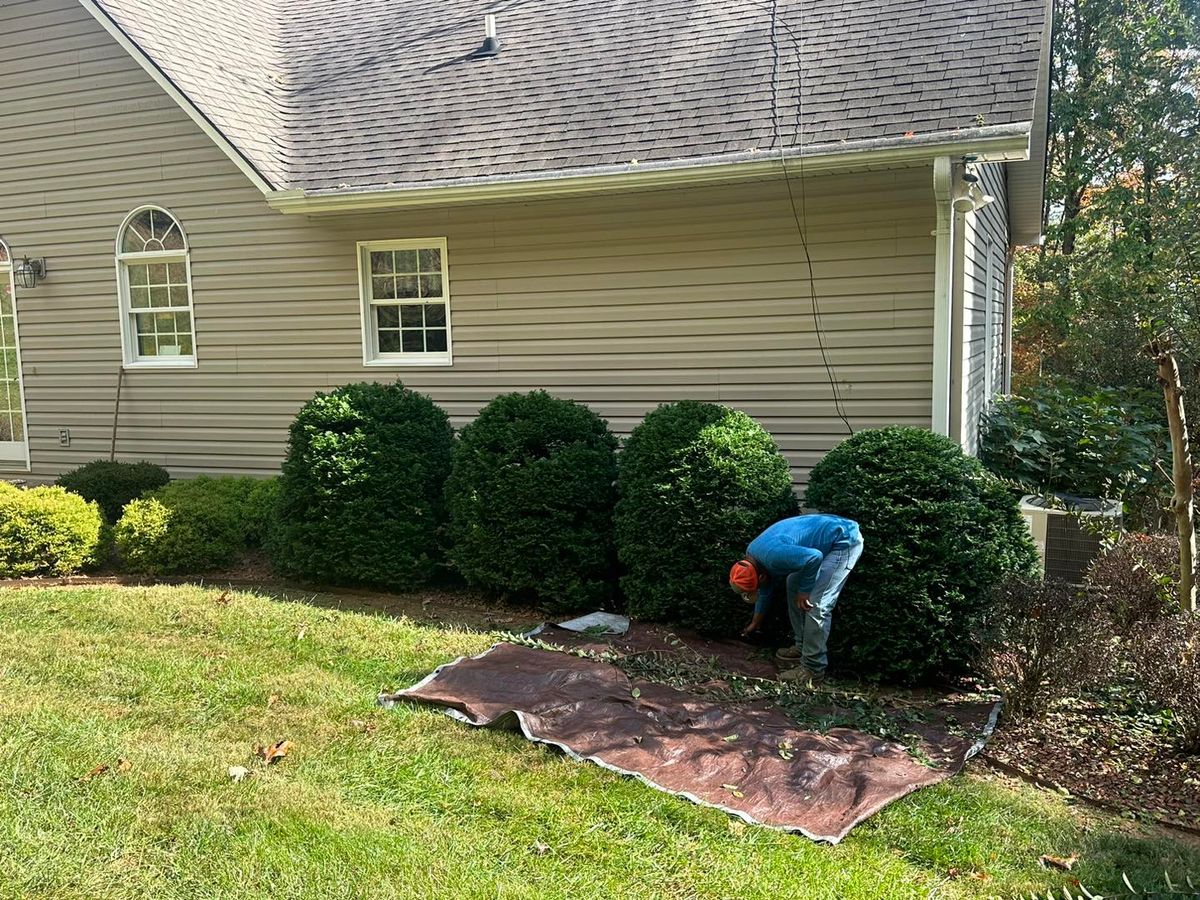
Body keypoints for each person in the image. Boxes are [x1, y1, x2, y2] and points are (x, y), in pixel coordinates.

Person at [728, 514, 863, 684]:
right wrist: (756, 622)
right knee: (792, 582)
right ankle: (801, 647)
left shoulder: (773, 557)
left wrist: (805, 592)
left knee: (817, 605)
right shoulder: (754, 557)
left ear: (761, 577)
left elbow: (814, 557)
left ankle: (813, 669)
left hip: (843, 541)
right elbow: (765, 590)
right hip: (827, 537)